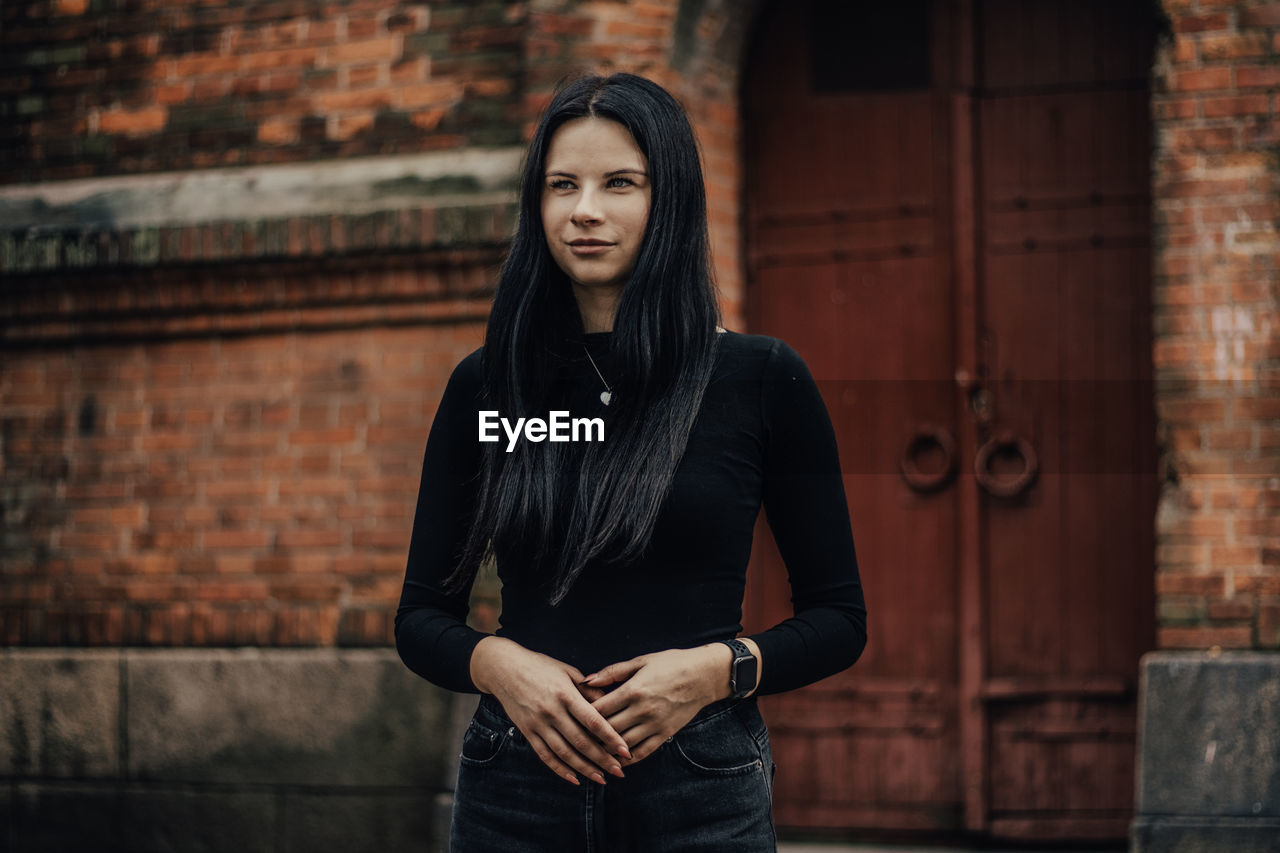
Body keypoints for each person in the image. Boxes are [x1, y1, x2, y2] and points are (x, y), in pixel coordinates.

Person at [395, 71, 867, 852]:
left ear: (669, 199)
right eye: (561, 185)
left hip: (701, 786)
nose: (585, 210)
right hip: (515, 783)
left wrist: (715, 671)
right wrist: (502, 666)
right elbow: (419, 619)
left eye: (620, 183)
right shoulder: (489, 385)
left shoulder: (760, 379)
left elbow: (839, 621)